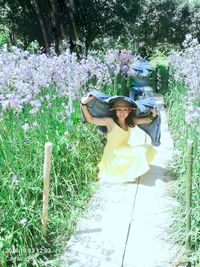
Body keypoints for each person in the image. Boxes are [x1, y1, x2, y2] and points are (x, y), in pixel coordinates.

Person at [80, 95, 157, 183]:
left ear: (129, 110)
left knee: (146, 148)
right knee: (139, 153)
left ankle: (128, 169)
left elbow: (147, 120)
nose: (122, 113)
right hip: (114, 155)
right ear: (115, 110)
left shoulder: (129, 121)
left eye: (125, 110)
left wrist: (153, 115)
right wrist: (83, 104)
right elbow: (91, 119)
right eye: (119, 109)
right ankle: (125, 170)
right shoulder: (110, 122)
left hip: (125, 150)